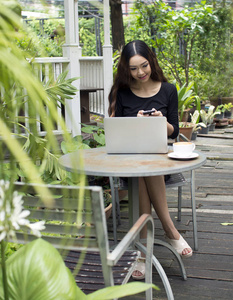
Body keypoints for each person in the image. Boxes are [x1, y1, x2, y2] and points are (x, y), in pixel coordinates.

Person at [108, 40, 192, 280]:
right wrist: (133, 122)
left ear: (151, 61)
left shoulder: (168, 89)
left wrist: (159, 121)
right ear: (126, 69)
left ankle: (142, 252)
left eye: (143, 66)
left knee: (149, 167)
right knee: (145, 168)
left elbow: (175, 131)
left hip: (157, 161)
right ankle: (169, 230)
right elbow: (114, 129)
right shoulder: (121, 92)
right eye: (133, 69)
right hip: (129, 161)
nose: (140, 73)